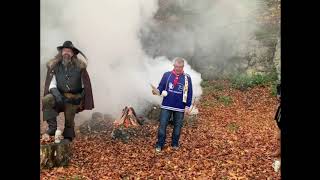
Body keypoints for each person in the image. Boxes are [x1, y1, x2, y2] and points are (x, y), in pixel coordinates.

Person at [42, 41, 94, 142]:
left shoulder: (80, 67)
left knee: (70, 110)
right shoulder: (55, 66)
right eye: (65, 50)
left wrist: (79, 97)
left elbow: (85, 86)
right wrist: (57, 95)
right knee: (47, 99)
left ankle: (68, 135)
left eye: (69, 51)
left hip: (73, 97)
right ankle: (52, 128)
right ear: (61, 52)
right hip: (59, 94)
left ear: (73, 54)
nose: (66, 53)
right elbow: (52, 84)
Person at [152, 57, 193, 152]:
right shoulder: (167, 75)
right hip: (166, 105)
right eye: (176, 66)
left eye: (179, 67)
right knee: (162, 126)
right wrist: (156, 91)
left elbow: (189, 92)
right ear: (173, 65)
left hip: (180, 107)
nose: (177, 68)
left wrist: (187, 106)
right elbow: (161, 87)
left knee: (177, 127)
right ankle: (159, 144)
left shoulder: (187, 78)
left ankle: (175, 144)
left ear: (183, 66)